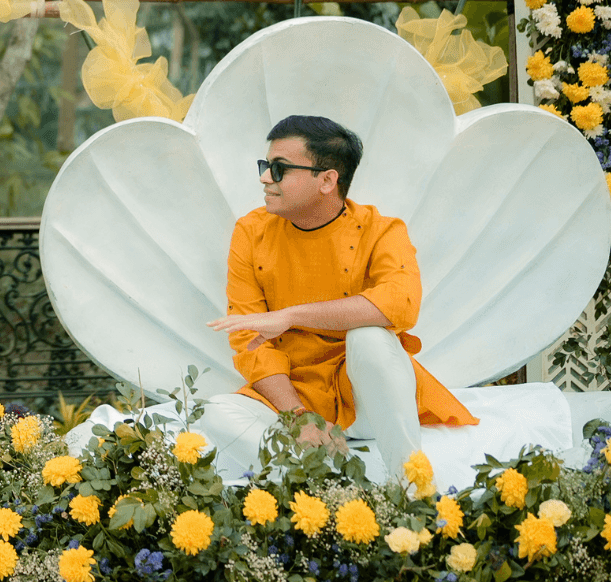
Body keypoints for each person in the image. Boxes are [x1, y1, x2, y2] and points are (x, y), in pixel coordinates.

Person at [201, 115, 475, 478]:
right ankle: (331, 489)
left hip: (366, 401)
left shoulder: (381, 231)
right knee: (216, 413)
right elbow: (249, 341)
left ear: (328, 180)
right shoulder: (251, 232)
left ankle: (410, 486)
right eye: (265, 166)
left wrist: (290, 316)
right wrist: (298, 416)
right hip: (293, 398)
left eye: (279, 168)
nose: (265, 178)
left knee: (370, 337)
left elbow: (401, 304)